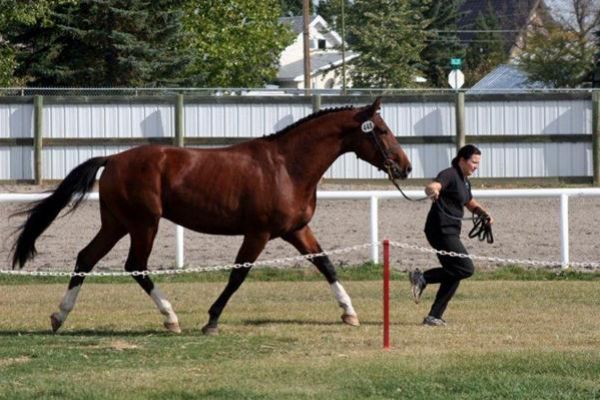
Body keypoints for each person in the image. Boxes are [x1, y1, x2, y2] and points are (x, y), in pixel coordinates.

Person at [409, 144, 493, 326]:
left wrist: (482, 213)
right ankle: (423, 278)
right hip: (440, 230)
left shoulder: (464, 180)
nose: (476, 167)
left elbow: (469, 201)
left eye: (478, 163)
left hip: (450, 230)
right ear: (462, 160)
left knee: (455, 273)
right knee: (465, 268)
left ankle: (434, 316)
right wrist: (433, 190)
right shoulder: (450, 174)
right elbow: (433, 185)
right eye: (473, 162)